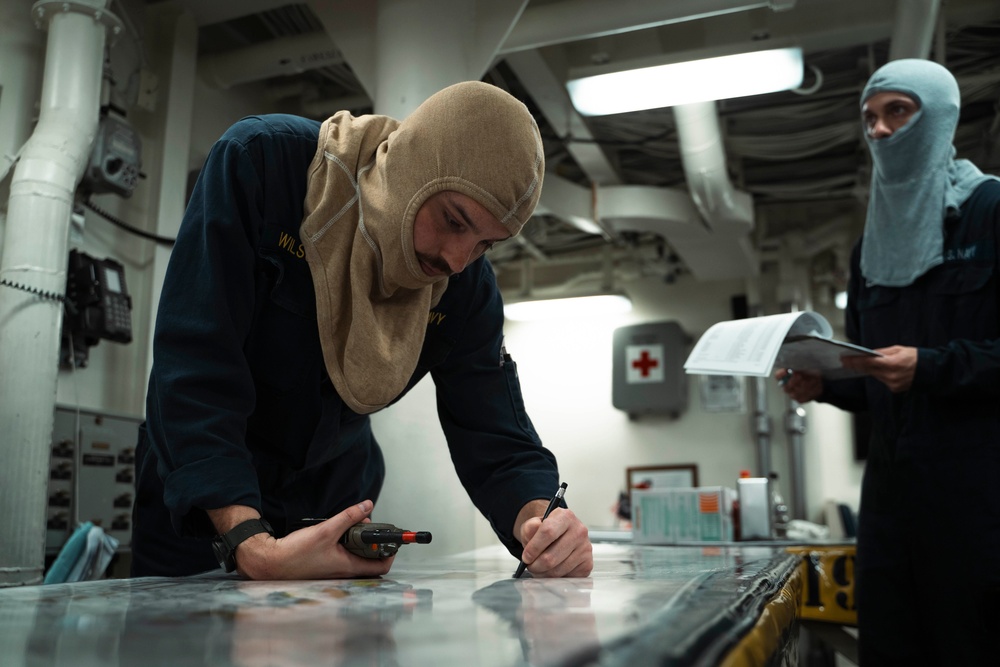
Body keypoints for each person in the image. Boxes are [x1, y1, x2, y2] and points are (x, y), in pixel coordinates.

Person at [131, 81, 593, 581]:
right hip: (204, 489)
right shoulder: (263, 164)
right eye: (453, 220)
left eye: (485, 244)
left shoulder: (465, 288)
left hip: (333, 499)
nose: (456, 261)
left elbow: (495, 427)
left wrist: (542, 525)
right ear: (416, 169)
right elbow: (197, 365)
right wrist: (250, 543)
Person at [777, 59, 1000, 665]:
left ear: (939, 119)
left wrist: (932, 366)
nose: (877, 130)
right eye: (870, 117)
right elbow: (875, 376)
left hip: (978, 505)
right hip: (890, 508)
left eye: (896, 112)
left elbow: (922, 367)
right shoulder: (869, 247)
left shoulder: (990, 212)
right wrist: (822, 381)